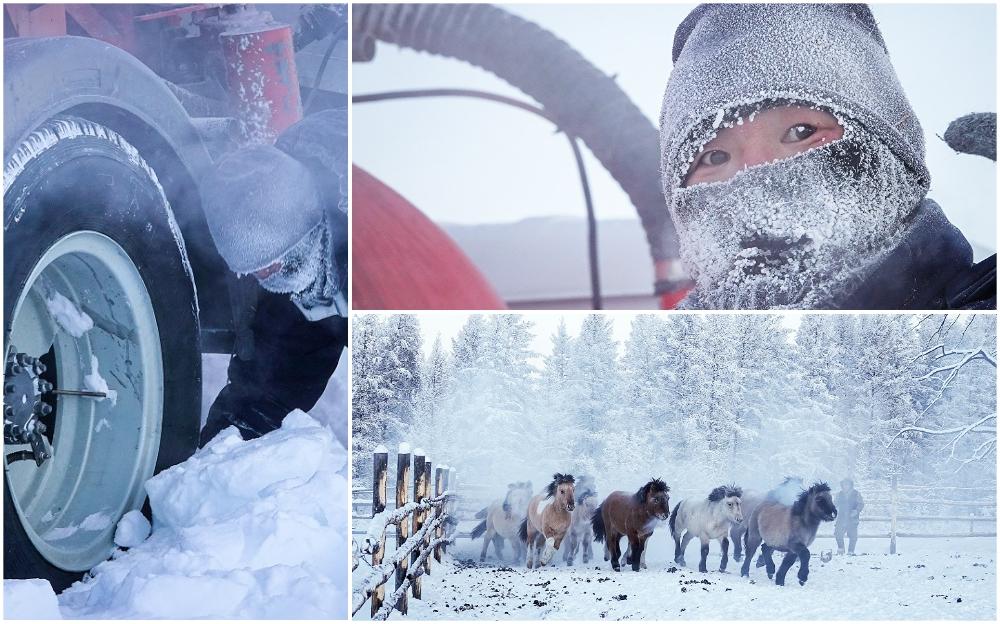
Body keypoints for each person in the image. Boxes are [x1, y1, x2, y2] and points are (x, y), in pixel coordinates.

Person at [659, 3, 996, 310]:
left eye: (802, 132)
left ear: (891, 149)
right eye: (715, 157)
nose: (757, 176)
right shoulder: (675, 354)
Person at [197, 109, 348, 445]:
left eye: (274, 266)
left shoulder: (384, 242)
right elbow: (274, 376)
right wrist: (223, 449)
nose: (267, 278)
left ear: (304, 234)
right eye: (254, 272)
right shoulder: (277, 188)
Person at [833, 478, 864, 555]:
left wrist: (856, 511)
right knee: (838, 533)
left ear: (851, 485)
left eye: (847, 484)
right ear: (842, 485)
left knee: (853, 536)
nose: (845, 486)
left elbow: (861, 504)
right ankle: (841, 549)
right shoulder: (839, 494)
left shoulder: (856, 494)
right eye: (844, 484)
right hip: (841, 517)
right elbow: (835, 504)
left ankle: (851, 551)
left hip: (852, 517)